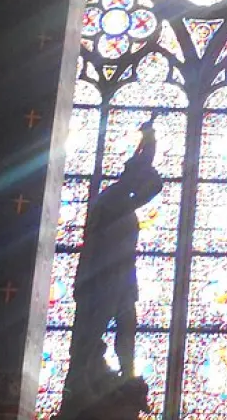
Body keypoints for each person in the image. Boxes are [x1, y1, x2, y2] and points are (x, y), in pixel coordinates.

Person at [62, 124, 163, 413]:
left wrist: (148, 141)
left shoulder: (123, 198)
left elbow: (144, 175)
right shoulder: (111, 201)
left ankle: (127, 375)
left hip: (121, 274)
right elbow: (148, 187)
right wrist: (146, 151)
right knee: (94, 328)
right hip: (102, 277)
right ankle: (80, 380)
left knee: (127, 322)